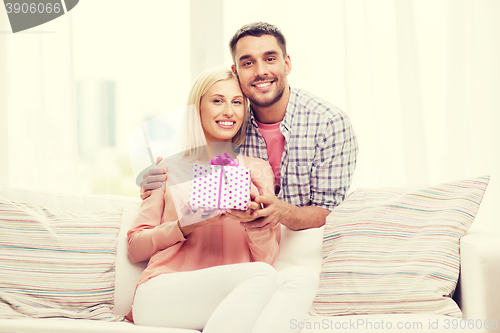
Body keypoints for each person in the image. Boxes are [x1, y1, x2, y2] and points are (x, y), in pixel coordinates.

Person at [127, 67, 318, 333]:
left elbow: (267, 258)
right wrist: (184, 225)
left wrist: (255, 224)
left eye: (237, 102)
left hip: (235, 297)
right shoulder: (166, 168)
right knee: (260, 276)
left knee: (302, 279)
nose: (229, 111)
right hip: (164, 291)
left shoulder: (256, 168)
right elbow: (135, 247)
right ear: (197, 108)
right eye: (217, 100)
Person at [141, 22, 359, 232]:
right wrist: (160, 184)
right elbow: (195, 176)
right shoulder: (228, 124)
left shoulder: (329, 123)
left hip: (306, 246)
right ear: (236, 71)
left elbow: (331, 212)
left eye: (270, 58)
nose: (260, 71)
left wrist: (281, 212)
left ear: (287, 64)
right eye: (248, 63)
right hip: (248, 248)